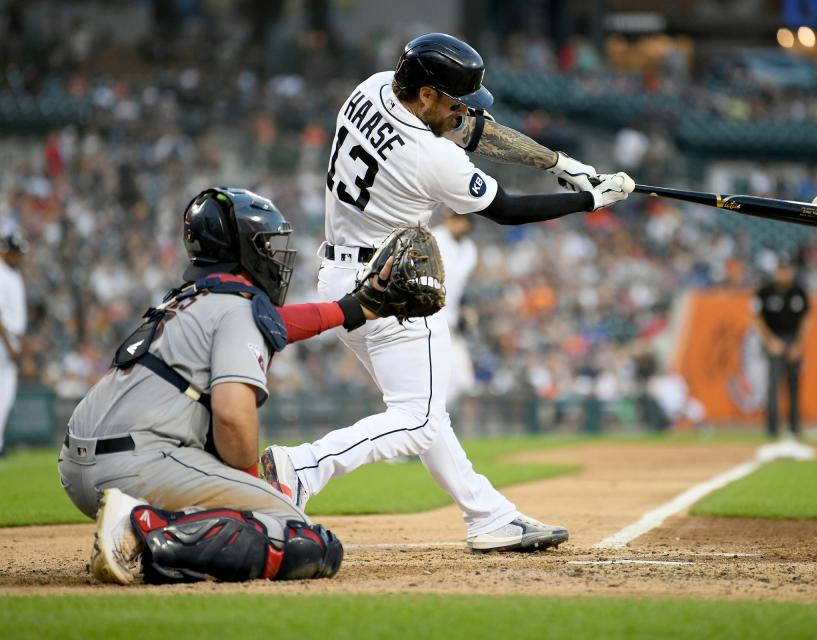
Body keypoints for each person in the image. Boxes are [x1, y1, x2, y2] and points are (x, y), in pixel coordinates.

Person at [261, 33, 635, 552]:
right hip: (394, 286)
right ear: (429, 95)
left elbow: (474, 131)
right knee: (417, 419)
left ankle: (488, 517)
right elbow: (504, 209)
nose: (463, 111)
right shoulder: (429, 158)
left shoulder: (371, 89)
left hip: (343, 276)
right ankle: (301, 467)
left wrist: (558, 164)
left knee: (424, 409)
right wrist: (587, 201)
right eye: (455, 100)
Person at [58, 187, 399, 585]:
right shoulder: (238, 304)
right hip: (138, 465)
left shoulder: (188, 299)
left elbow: (277, 323)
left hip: (78, 466)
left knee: (256, 511)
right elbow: (233, 418)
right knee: (304, 538)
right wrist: (251, 487)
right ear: (242, 248)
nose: (274, 255)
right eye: (266, 244)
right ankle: (141, 532)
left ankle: (145, 522)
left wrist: (353, 308)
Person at [752, 252, 811, 439]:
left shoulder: (799, 292)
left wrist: (799, 344)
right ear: (776, 271)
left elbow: (806, 319)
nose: (784, 273)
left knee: (794, 384)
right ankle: (772, 428)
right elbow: (757, 318)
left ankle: (795, 426)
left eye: (787, 269)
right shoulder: (765, 291)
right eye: (781, 269)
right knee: (773, 384)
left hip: (793, 339)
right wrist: (770, 341)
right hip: (774, 340)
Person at [433, 213, 478, 407]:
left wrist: (464, 309)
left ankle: (435, 419)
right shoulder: (432, 239)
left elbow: (459, 287)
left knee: (463, 381)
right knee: (435, 377)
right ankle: (430, 420)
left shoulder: (469, 249)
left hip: (450, 319)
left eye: (458, 219)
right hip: (428, 315)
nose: (452, 222)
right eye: (451, 217)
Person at [0, 232, 28, 457]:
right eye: (16, 252)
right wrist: (9, 344)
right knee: (3, 395)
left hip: (11, 339)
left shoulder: (12, 273)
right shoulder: (1, 273)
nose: (19, 256)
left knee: (6, 396)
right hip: (3, 340)